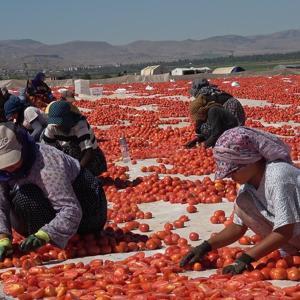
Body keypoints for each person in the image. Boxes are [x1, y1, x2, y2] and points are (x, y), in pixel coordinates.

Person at [180, 126, 300, 275]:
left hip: (290, 234)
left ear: (250, 160)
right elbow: (237, 227)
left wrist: (246, 258)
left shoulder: (278, 176)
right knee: (244, 203)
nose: (230, 176)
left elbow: (285, 230)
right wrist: (205, 247)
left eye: (233, 170)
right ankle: (292, 251)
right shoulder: (247, 187)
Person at [0, 123, 107, 259]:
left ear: (23, 147)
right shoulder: (3, 172)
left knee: (26, 197)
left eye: (12, 160)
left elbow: (70, 208)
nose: (8, 167)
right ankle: (47, 237)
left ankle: (54, 236)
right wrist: (2, 237)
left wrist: (45, 234)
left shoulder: (46, 163)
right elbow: (1, 204)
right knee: (23, 195)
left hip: (87, 208)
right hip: (49, 211)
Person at [42, 101, 107, 176]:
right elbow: (46, 149)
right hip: (66, 154)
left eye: (60, 123)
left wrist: (77, 171)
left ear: (67, 120)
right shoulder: (52, 126)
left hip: (88, 157)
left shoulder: (80, 124)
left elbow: (88, 151)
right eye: (55, 124)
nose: (57, 126)